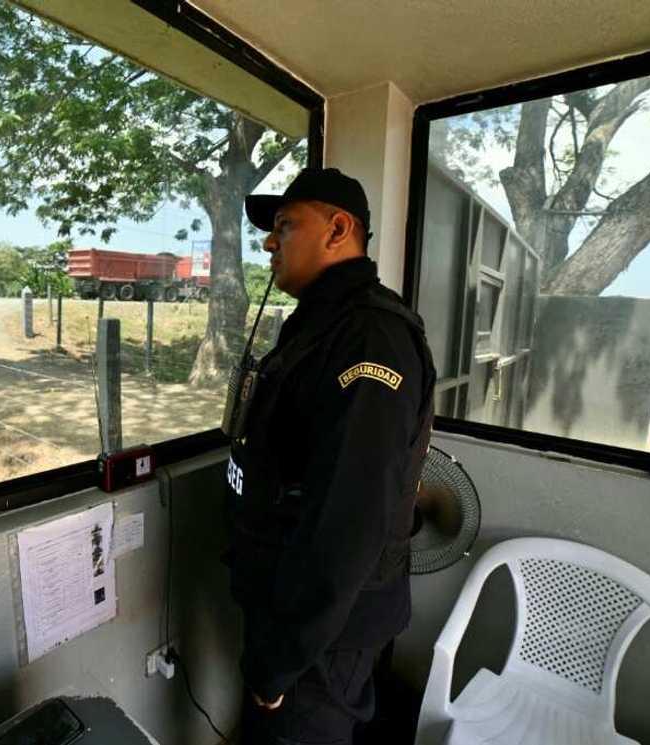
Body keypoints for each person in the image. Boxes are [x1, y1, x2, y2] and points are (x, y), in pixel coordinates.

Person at [226, 167, 437, 744]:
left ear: (338, 228)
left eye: (286, 225)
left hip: (320, 636)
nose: (270, 241)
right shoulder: (323, 325)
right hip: (292, 608)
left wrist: (281, 660)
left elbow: (349, 520)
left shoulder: (369, 339)